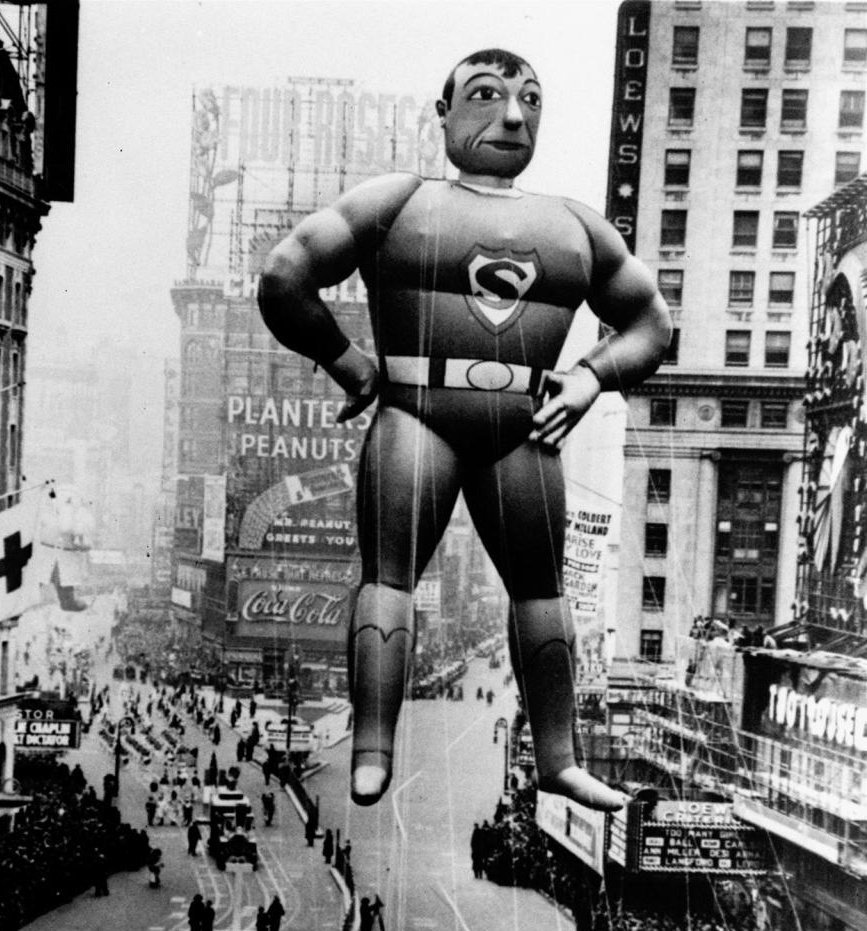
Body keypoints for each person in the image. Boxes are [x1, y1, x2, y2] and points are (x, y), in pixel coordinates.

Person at [258, 48, 670, 811]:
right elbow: (285, 274)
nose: (513, 115)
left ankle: (559, 758)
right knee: (391, 579)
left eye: (530, 100)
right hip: (419, 415)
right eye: (486, 95)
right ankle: (372, 747)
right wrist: (348, 362)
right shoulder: (401, 200)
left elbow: (651, 321)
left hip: (525, 428)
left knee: (542, 592)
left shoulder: (572, 224)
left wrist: (589, 377)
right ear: (443, 114)